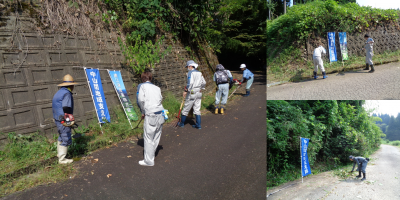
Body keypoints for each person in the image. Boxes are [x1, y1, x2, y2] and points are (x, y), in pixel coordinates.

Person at [136, 71, 165, 166]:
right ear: (150, 78)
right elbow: (160, 99)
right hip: (160, 113)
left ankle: (149, 161)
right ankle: (151, 154)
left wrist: (143, 111)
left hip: (150, 114)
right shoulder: (157, 88)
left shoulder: (142, 86)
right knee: (156, 135)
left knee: (148, 138)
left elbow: (140, 99)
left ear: (142, 79)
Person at [52, 74, 78, 164]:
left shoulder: (59, 92)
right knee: (66, 136)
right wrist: (69, 119)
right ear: (71, 85)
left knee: (61, 136)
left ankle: (60, 154)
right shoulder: (67, 93)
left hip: (57, 118)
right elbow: (66, 107)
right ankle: (62, 159)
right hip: (63, 118)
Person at [178, 60, 206, 129]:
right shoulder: (200, 73)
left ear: (190, 66)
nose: (187, 68)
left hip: (192, 92)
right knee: (197, 109)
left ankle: (182, 124)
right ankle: (198, 125)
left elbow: (190, 83)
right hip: (199, 92)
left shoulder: (190, 73)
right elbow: (204, 82)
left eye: (187, 66)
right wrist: (201, 87)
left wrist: (185, 90)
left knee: (186, 108)